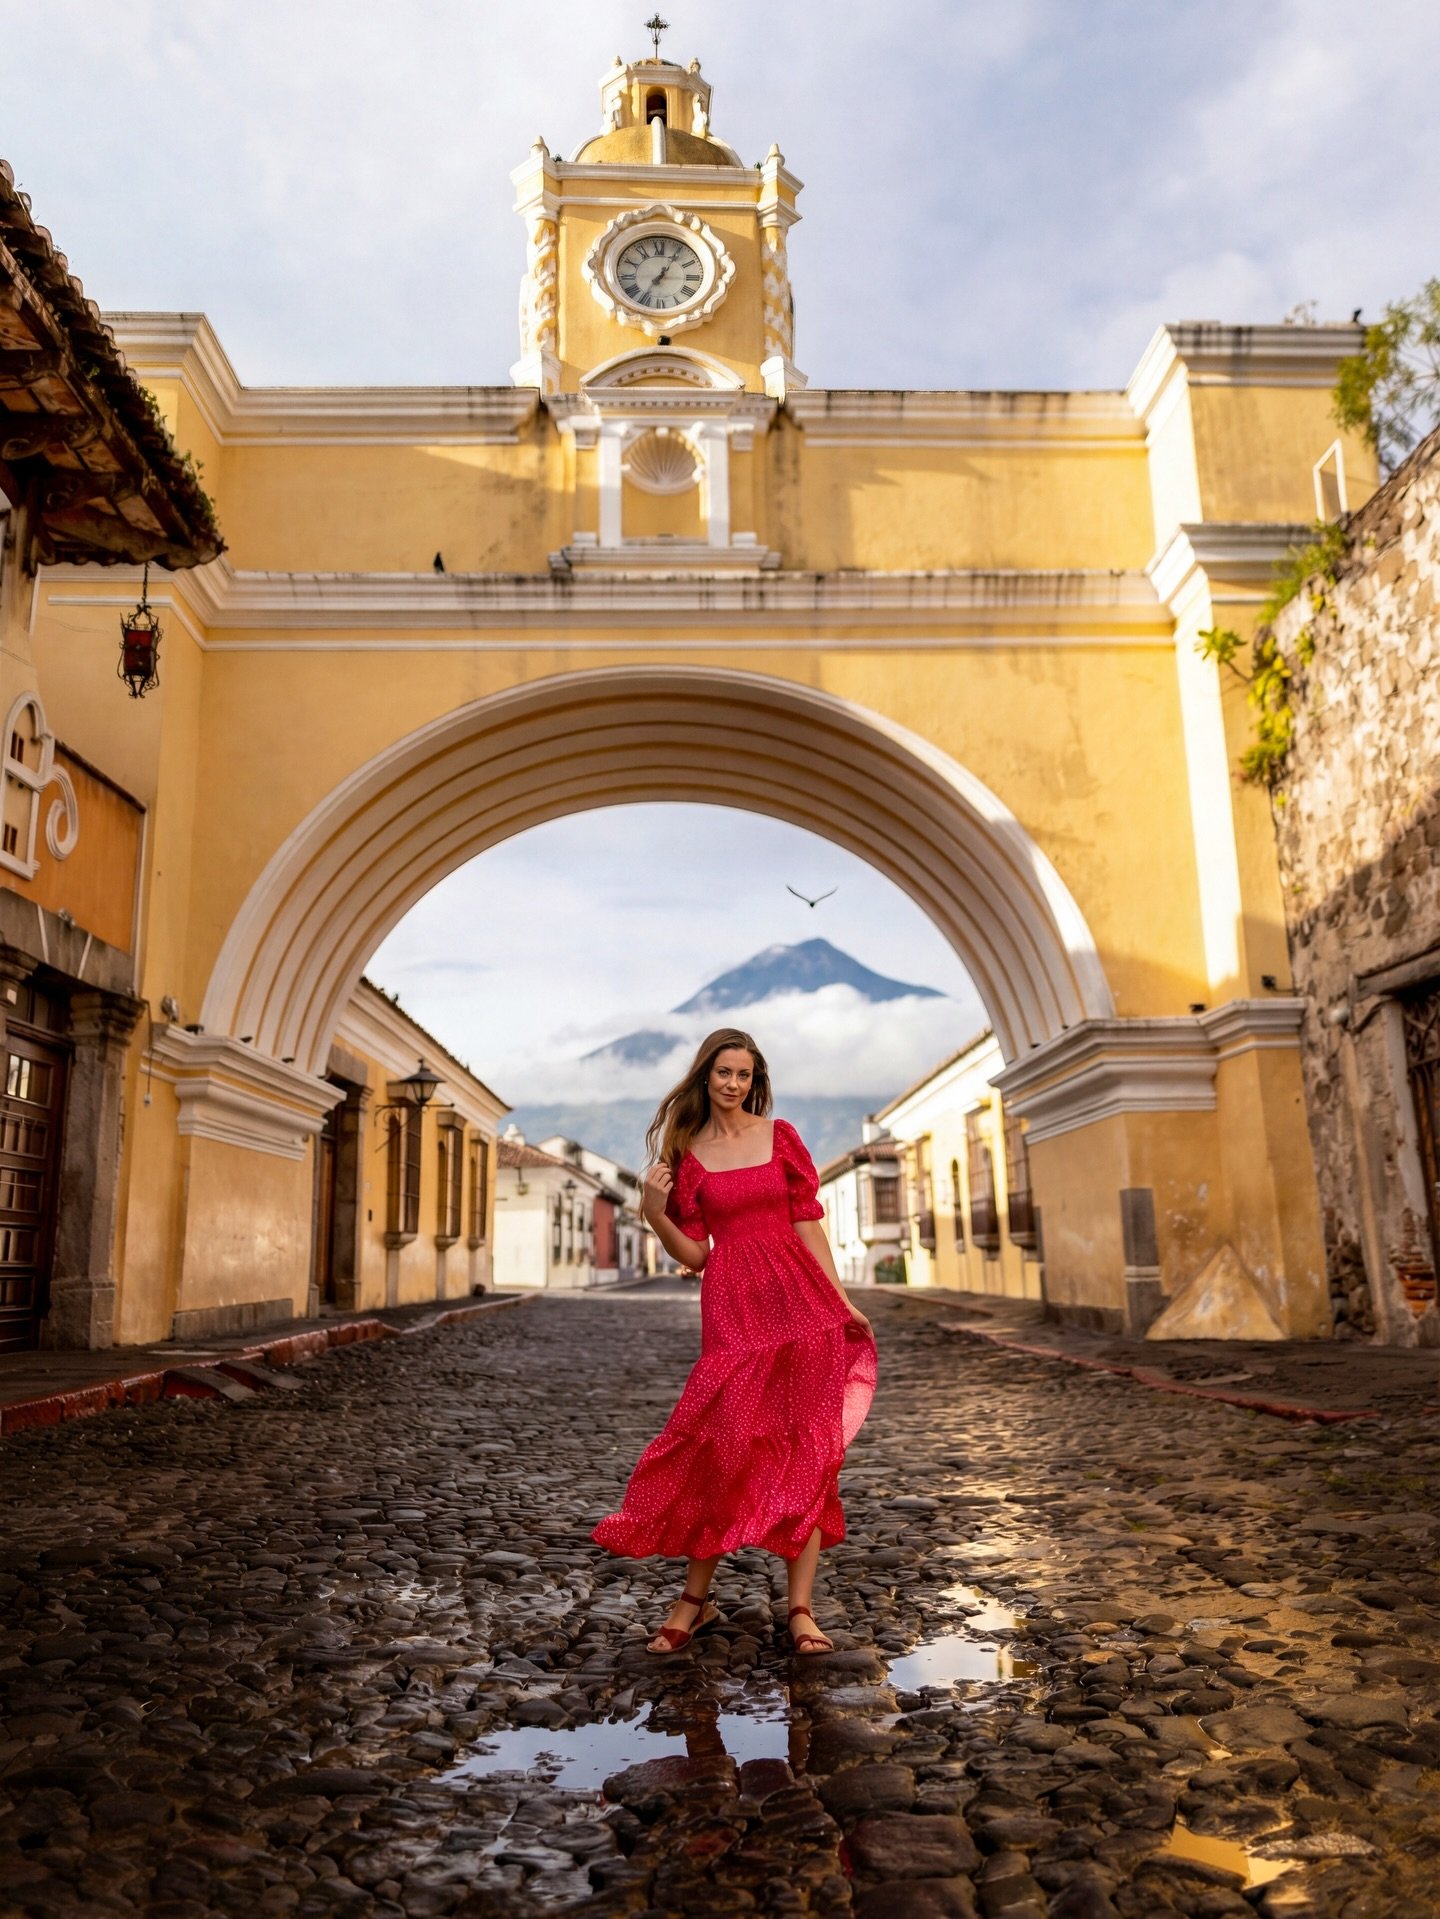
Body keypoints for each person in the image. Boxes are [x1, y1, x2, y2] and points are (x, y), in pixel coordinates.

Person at [590, 1028, 878, 1656]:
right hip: (734, 1308)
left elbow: (807, 1223)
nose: (733, 1083)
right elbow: (695, 1254)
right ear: (706, 1076)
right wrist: (655, 1213)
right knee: (722, 1448)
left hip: (800, 1302)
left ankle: (800, 1610)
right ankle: (695, 1602)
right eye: (724, 1072)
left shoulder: (781, 1137)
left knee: (809, 1449)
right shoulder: (688, 1155)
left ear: (755, 1080)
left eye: (744, 1074)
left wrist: (840, 1301)